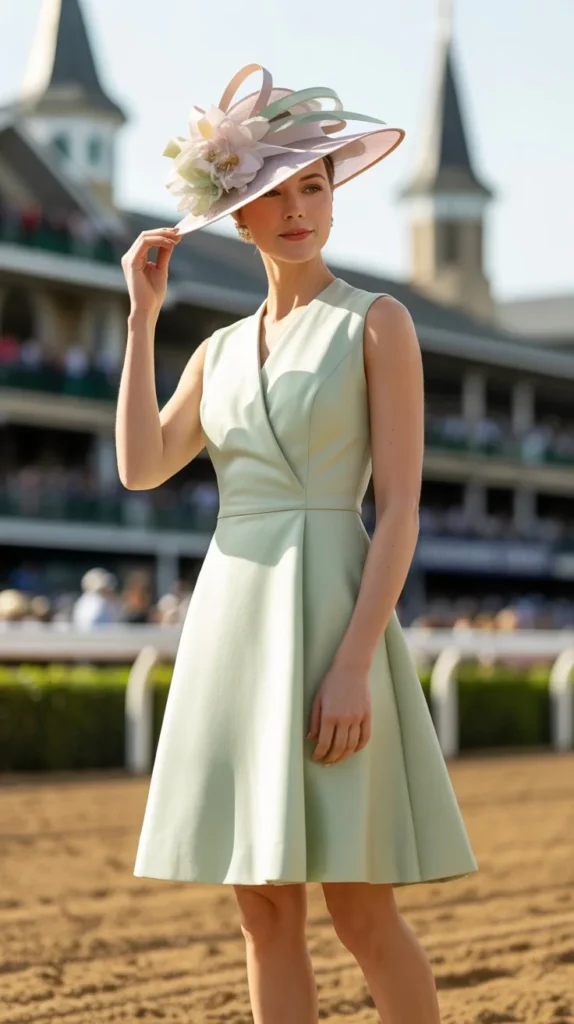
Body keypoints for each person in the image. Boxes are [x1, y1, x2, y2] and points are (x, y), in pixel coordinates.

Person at [117, 63, 478, 1024]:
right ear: (237, 214)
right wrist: (142, 321)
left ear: (333, 196)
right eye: (272, 193)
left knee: (362, 912)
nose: (296, 210)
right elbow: (142, 465)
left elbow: (398, 508)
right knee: (263, 913)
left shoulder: (379, 324)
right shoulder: (216, 352)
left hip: (333, 623)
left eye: (313, 186)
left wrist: (355, 662)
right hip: (233, 626)